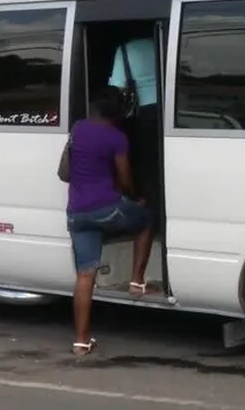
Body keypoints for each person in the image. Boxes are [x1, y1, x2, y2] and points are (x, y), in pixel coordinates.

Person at [65, 86, 151, 356]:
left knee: (85, 274)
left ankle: (81, 342)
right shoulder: (117, 138)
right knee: (146, 220)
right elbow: (125, 180)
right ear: (118, 112)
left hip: (76, 213)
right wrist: (136, 198)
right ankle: (136, 282)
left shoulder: (78, 128)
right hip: (106, 209)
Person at [107, 37, 161, 296]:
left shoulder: (126, 49)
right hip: (171, 116)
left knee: (147, 202)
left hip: (145, 124)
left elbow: (114, 91)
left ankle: (136, 278)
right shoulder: (175, 37)